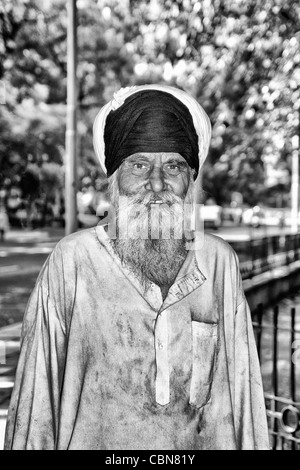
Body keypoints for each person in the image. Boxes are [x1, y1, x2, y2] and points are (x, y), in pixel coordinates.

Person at [4, 84, 269, 450]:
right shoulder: (72, 262)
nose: (157, 183)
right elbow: (35, 408)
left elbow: (245, 402)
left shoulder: (217, 262)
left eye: (173, 165)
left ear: (190, 180)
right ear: (113, 180)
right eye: (139, 165)